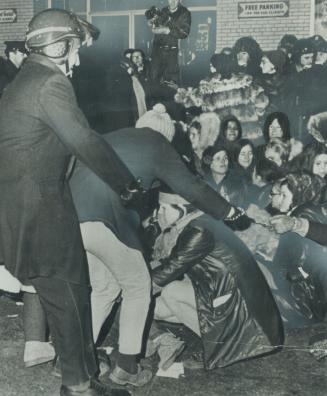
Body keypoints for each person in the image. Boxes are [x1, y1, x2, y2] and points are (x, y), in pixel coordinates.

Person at [0, 8, 149, 396]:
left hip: (35, 205)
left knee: (74, 292)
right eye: (74, 49)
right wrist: (128, 187)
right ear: (57, 46)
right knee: (67, 297)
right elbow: (84, 140)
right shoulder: (48, 83)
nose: (78, 59)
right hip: (39, 208)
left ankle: (83, 380)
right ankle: (78, 387)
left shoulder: (27, 79)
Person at [69, 103, 253, 385]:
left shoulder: (114, 135)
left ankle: (74, 360)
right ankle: (127, 367)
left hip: (72, 217)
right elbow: (192, 187)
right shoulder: (156, 143)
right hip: (105, 219)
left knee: (104, 287)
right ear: (165, 135)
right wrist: (229, 212)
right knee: (138, 286)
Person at [148, 192, 284, 370]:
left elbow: (173, 267)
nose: (159, 213)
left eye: (164, 208)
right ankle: (216, 339)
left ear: (181, 209)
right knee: (159, 306)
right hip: (231, 293)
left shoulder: (198, 230)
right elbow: (174, 261)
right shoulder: (201, 221)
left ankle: (221, 345)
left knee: (170, 293)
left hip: (238, 304)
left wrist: (134, 288)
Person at [147, 0, 191, 84]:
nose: (172, 2)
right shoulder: (163, 11)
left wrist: (167, 30)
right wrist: (151, 23)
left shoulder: (184, 12)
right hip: (158, 52)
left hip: (173, 54)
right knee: (154, 81)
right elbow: (155, 28)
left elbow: (184, 33)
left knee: (172, 83)